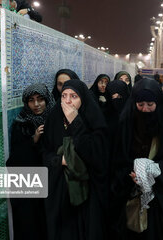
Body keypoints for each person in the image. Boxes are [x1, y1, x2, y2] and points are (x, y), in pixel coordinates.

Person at [110, 78, 163, 240]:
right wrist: (131, 173)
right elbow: (118, 157)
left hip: (159, 195)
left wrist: (154, 170)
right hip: (131, 191)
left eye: (150, 105)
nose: (145, 109)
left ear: (158, 102)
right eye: (140, 104)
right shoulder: (126, 121)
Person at [42, 80, 108, 240]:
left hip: (87, 194)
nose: (67, 101)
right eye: (64, 96)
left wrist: (75, 121)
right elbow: (45, 152)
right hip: (60, 191)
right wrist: (60, 161)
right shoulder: (54, 119)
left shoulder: (93, 120)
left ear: (83, 99)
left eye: (74, 96)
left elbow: (96, 155)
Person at [6, 83, 55, 240]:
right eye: (31, 100)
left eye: (40, 99)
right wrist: (33, 140)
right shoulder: (21, 124)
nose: (36, 104)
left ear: (47, 100)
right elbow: (14, 160)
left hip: (53, 182)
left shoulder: (55, 120)